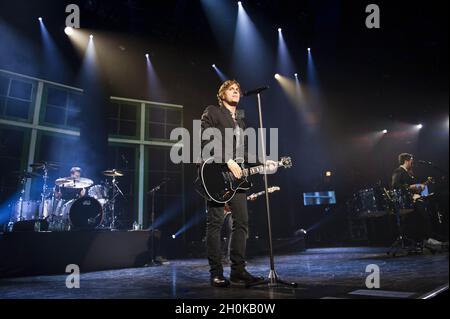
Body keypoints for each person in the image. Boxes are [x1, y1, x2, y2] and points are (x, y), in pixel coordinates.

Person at [200, 80, 277, 287]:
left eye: (237, 90)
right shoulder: (213, 112)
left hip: (237, 179)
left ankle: (238, 271)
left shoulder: (240, 122)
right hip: (216, 174)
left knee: (241, 223)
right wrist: (227, 159)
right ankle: (216, 272)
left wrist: (262, 162)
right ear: (222, 94)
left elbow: (242, 152)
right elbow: (207, 139)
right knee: (215, 223)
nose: (236, 92)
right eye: (231, 89)